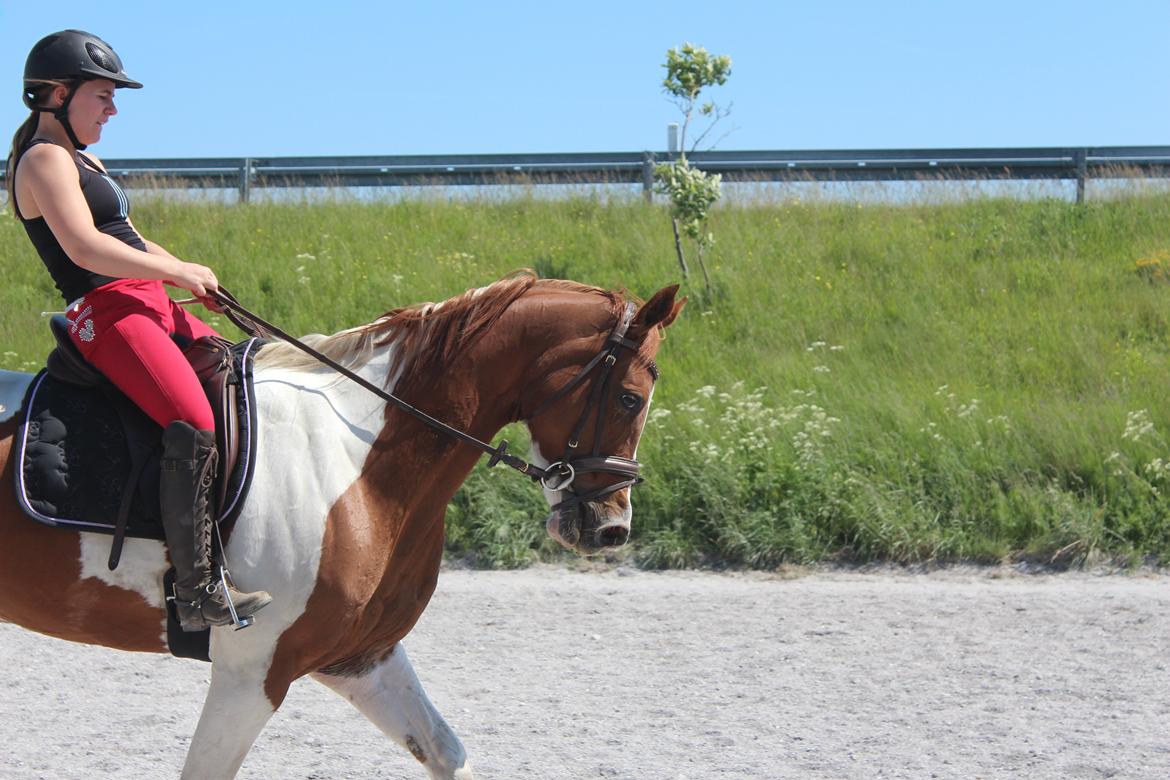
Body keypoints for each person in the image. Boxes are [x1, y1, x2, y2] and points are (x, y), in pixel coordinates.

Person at [6, 30, 270, 631]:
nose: (113, 108)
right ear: (55, 94)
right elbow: (85, 247)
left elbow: (125, 239)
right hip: (109, 312)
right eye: (102, 95)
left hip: (148, 301)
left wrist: (187, 275)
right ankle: (197, 585)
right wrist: (174, 271)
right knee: (192, 419)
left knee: (243, 378)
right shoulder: (43, 159)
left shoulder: (84, 160)